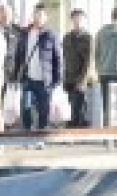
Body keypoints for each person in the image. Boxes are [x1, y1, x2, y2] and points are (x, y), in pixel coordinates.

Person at [11, 3, 60, 131]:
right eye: (35, 14)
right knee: (26, 107)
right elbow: (19, 56)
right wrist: (15, 76)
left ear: (46, 18)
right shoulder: (25, 34)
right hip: (28, 79)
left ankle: (41, 136)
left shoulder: (51, 35)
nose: (38, 17)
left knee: (43, 110)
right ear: (32, 16)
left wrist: (57, 80)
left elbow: (58, 59)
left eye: (40, 15)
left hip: (45, 81)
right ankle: (28, 133)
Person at [62, 8, 91, 127]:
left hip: (81, 77)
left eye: (80, 18)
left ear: (84, 20)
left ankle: (75, 131)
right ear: (71, 20)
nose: (77, 21)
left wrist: (83, 80)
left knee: (78, 107)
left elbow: (89, 61)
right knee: (71, 106)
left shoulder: (88, 38)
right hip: (69, 77)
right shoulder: (67, 37)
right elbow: (64, 57)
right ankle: (75, 130)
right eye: (75, 18)